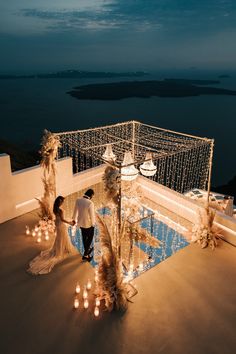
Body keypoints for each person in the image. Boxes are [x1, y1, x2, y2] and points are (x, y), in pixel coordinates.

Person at [27, 196, 78, 275]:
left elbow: (57, 218)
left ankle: (62, 248)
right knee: (62, 236)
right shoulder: (60, 210)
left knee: (59, 237)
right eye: (62, 202)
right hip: (60, 224)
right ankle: (62, 249)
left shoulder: (55, 209)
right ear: (59, 202)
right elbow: (62, 219)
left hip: (57, 224)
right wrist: (70, 223)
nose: (63, 203)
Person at [72, 189, 95, 262]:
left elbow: (75, 211)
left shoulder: (78, 200)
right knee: (90, 237)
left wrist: (74, 220)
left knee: (84, 238)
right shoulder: (90, 203)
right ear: (91, 195)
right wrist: (93, 224)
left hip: (80, 223)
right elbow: (92, 215)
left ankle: (87, 252)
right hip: (88, 224)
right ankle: (85, 254)